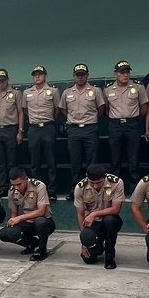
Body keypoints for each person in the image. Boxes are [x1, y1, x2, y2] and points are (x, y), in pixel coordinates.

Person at [59, 64, 106, 200]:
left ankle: (93, 190)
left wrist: (91, 120)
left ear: (87, 76)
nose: (80, 77)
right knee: (75, 162)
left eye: (83, 75)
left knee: (92, 161)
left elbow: (101, 108)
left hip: (90, 128)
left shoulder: (96, 91)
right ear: (74, 76)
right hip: (73, 130)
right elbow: (63, 109)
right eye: (78, 75)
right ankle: (75, 190)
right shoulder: (67, 92)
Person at [105, 60, 149, 186]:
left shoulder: (138, 87)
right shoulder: (108, 90)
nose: (125, 75)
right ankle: (115, 185)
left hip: (132, 125)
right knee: (115, 157)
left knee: (133, 157)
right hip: (115, 125)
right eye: (122, 72)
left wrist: (132, 119)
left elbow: (144, 107)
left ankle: (135, 185)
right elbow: (106, 110)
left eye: (127, 72)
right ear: (115, 74)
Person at [74, 164, 125, 270]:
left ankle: (109, 256)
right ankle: (98, 245)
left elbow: (116, 209)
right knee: (88, 259)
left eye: (99, 182)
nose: (95, 186)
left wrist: (94, 214)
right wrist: (84, 241)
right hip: (93, 223)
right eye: (92, 183)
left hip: (110, 220)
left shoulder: (116, 183)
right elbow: (80, 214)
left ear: (105, 177)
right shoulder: (80, 187)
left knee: (109, 221)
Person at [0, 167, 54, 261]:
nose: (16, 187)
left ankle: (42, 249)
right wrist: (13, 226)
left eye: (19, 184)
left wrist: (19, 218)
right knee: (4, 233)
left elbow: (41, 211)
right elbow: (14, 213)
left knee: (41, 222)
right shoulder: (12, 191)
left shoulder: (39, 186)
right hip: (26, 223)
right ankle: (30, 243)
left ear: (26, 179)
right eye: (14, 185)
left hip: (44, 222)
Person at [20, 66, 60, 197]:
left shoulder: (53, 91)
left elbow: (57, 110)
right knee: (35, 162)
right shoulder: (27, 93)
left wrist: (48, 121)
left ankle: (52, 190)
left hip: (48, 127)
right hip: (33, 129)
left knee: (51, 161)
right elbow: (25, 111)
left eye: (40, 74)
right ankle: (37, 190)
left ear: (45, 76)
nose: (37, 77)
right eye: (35, 75)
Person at [0, 69, 22, 195]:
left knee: (12, 160)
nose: (1, 83)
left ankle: (14, 185)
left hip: (11, 129)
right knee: (0, 161)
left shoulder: (16, 93)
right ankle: (3, 186)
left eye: (3, 80)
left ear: (8, 80)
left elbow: (20, 112)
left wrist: (20, 131)